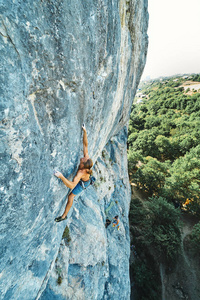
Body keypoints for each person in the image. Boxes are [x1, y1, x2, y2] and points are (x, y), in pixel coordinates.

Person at [54, 124, 93, 222]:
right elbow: (85, 144)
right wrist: (85, 131)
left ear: (83, 166)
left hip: (84, 183)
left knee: (70, 196)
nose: (82, 158)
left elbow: (71, 186)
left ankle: (64, 216)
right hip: (85, 179)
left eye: (83, 160)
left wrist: (61, 176)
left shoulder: (81, 173)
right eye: (84, 158)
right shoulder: (87, 159)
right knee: (71, 195)